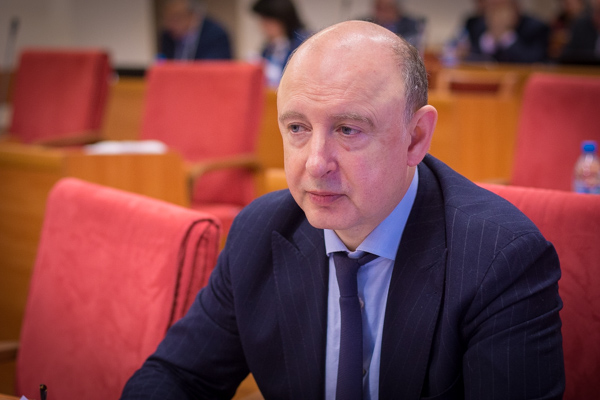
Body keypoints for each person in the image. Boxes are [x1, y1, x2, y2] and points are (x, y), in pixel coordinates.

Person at [121, 20, 564, 399]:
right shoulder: (259, 231)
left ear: (415, 138)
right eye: (298, 127)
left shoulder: (499, 259)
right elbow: (179, 375)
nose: (316, 163)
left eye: (348, 130)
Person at [463, 0, 550, 62]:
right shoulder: (477, 26)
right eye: (493, 9)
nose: (497, 15)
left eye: (503, 9)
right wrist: (490, 38)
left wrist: (506, 36)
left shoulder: (536, 28)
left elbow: (534, 61)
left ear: (515, 8)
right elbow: (472, 58)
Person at [251, 0, 308, 88]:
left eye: (267, 21)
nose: (263, 27)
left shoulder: (304, 44)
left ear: (283, 19)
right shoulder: (269, 47)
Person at [158, 0, 232, 60]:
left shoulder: (216, 35)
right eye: (167, 18)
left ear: (193, 15)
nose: (170, 24)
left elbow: (215, 68)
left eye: (176, 18)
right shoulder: (167, 36)